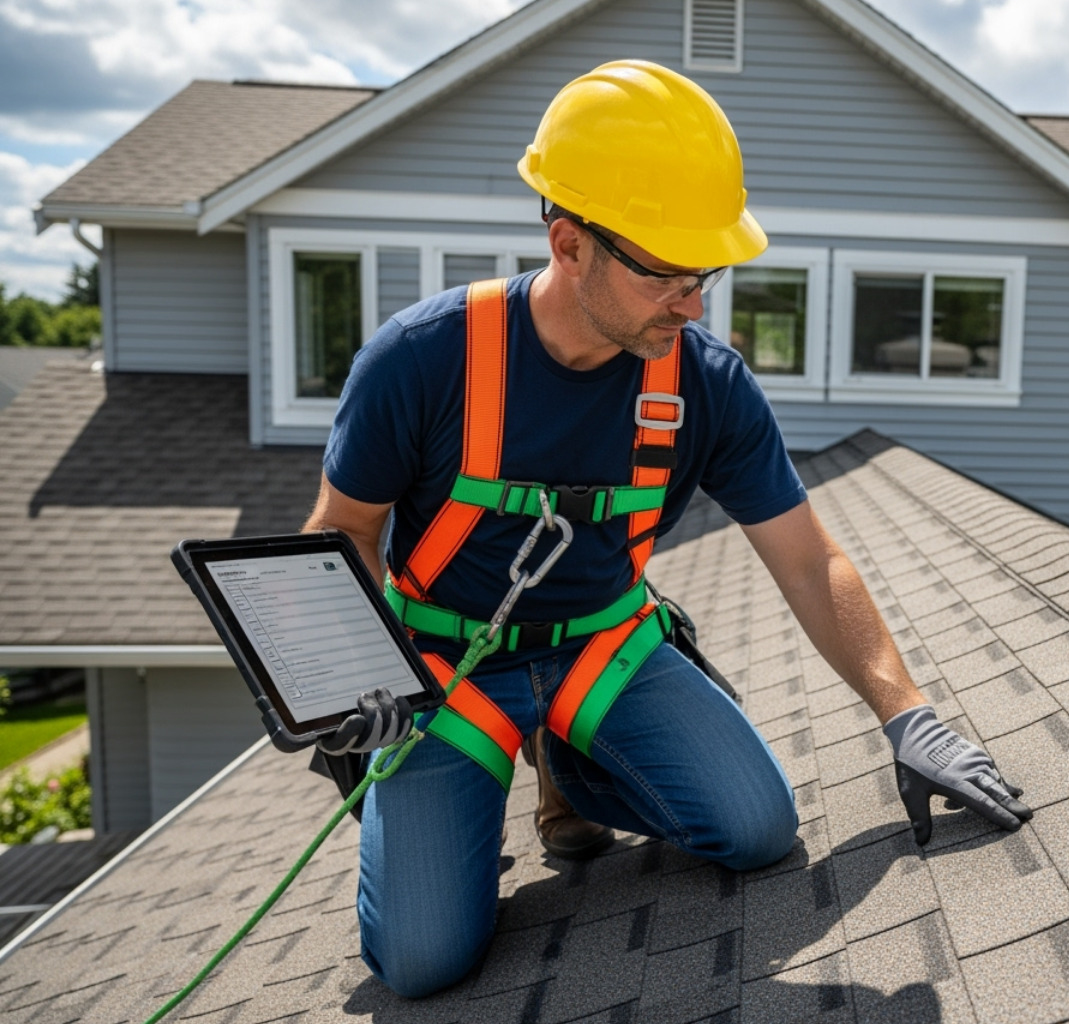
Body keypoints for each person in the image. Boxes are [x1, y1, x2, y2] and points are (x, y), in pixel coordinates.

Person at [303, 59, 1032, 999]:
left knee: (758, 829)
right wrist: (355, 683)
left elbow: (811, 562)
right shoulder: (423, 359)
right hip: (449, 673)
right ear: (569, 244)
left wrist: (909, 713)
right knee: (422, 961)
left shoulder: (704, 385)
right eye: (666, 276)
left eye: (705, 274)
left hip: (601, 647)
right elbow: (343, 532)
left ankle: (563, 757)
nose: (695, 305)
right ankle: (472, 789)